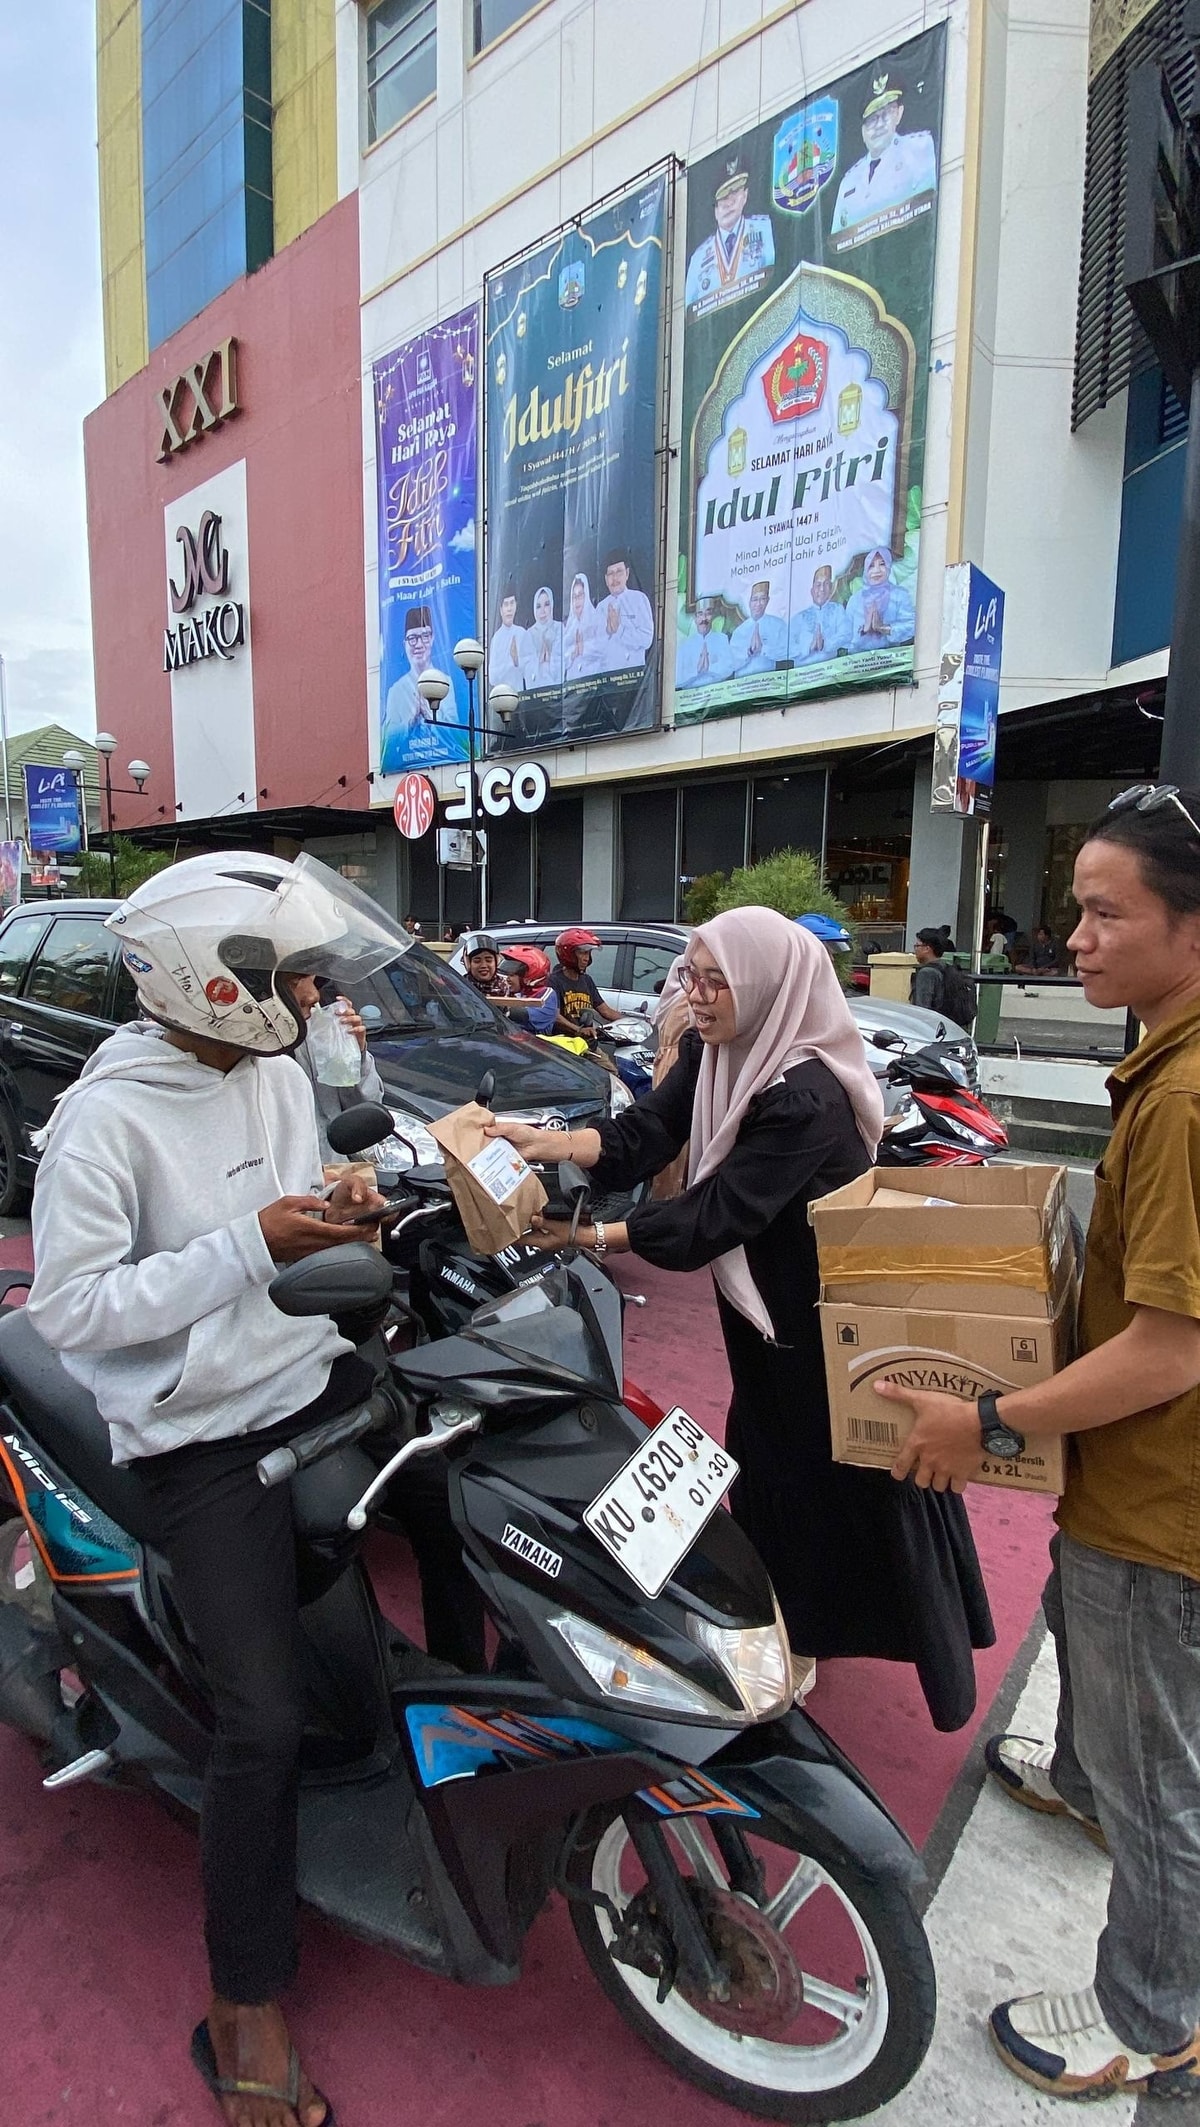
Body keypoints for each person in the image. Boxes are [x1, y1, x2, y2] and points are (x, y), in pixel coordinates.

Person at [24, 851, 409, 2127]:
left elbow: (292, 1207)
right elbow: (72, 1309)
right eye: (286, 973)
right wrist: (251, 1247)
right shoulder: (103, 1121)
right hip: (200, 1437)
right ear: (212, 981)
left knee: (465, 1498)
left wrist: (344, 1209)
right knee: (260, 1723)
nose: (306, 992)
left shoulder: (278, 1069)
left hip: (305, 1374)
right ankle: (243, 1996)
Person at [874, 785, 1200, 2099]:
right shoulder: (1164, 1064)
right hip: (1127, 1491)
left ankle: (1154, 2009)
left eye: (1107, 911)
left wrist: (986, 1416)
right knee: (1095, 1663)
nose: (1076, 935)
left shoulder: (1183, 1103)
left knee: (1159, 1779)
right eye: (1077, 907)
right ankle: (1073, 1773)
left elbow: (1172, 1348)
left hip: (1156, 1501)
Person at [487, 910, 994, 1728]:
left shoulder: (806, 1095)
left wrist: (590, 1233)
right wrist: (542, 1142)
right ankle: (790, 1626)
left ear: (767, 986)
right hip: (765, 1318)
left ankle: (820, 1640)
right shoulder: (719, 1054)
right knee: (769, 1464)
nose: (697, 995)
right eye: (690, 975)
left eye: (716, 979)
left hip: (824, 1325)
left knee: (837, 1481)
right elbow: (644, 1133)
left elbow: (716, 1214)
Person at [289, 978, 388, 1164]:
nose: (312, 995)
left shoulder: (320, 1026)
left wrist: (353, 1054)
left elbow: (364, 1108)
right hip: (292, 1180)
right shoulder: (251, 1055)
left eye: (311, 977)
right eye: (295, 981)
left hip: (334, 1171)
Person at [830, 73, 938, 237]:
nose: (879, 125)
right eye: (872, 119)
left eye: (885, 114)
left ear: (898, 114)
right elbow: (839, 239)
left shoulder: (919, 148)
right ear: (863, 131)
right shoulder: (848, 181)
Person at [685, 151, 775, 310]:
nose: (729, 202)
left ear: (745, 195)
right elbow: (689, 312)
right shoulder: (698, 259)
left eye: (735, 192)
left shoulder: (766, 228)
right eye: (722, 197)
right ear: (715, 210)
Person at [381, 606, 438, 773]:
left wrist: (429, 715)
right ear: (404, 644)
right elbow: (389, 744)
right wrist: (410, 721)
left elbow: (459, 739)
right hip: (406, 768)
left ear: (432, 638)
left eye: (424, 636)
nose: (419, 644)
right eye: (412, 638)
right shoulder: (396, 691)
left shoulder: (445, 684)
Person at [547, 928, 622, 1040]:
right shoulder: (554, 981)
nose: (586, 959)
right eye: (582, 953)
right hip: (565, 1044)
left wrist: (630, 1021)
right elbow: (555, 1016)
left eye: (588, 954)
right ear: (568, 954)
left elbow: (606, 1011)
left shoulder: (587, 980)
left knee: (606, 1058)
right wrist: (578, 1030)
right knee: (602, 1059)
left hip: (588, 1042)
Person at [591, 549, 655, 672]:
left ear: (627, 573)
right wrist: (608, 633)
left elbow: (647, 639)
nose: (614, 578)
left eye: (619, 572)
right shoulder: (601, 607)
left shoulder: (639, 599)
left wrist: (620, 631)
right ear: (606, 579)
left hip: (633, 679)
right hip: (607, 680)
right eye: (610, 574)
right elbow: (596, 648)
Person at [845, 548, 915, 653]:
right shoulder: (855, 599)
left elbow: (912, 625)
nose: (876, 570)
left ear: (888, 567)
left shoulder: (900, 595)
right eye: (871, 566)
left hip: (891, 662)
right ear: (865, 570)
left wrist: (884, 628)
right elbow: (845, 634)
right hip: (858, 663)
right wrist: (863, 631)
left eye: (882, 564)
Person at [910, 926, 976, 1028]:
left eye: (917, 946)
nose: (915, 950)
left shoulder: (926, 973)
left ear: (927, 949)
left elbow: (922, 1009)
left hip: (933, 1029)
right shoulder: (946, 967)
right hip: (949, 1026)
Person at [787, 564, 850, 665]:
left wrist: (825, 644)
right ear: (811, 591)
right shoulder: (799, 617)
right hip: (802, 674)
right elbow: (787, 647)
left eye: (826, 584)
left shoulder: (837, 609)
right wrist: (809, 646)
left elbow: (846, 634)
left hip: (831, 671)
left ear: (830, 589)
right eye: (818, 585)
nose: (822, 589)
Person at [729, 581, 787, 675]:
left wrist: (764, 649)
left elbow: (787, 653)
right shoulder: (739, 631)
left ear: (767, 600)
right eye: (755, 599)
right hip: (743, 684)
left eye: (762, 599)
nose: (758, 604)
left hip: (770, 681)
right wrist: (748, 652)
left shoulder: (778, 625)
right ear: (749, 602)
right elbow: (731, 664)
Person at [675, 598, 735, 688]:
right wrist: (696, 671)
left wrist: (709, 669)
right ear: (695, 618)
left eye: (708, 614)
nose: (704, 619)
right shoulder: (685, 645)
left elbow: (729, 667)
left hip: (716, 693)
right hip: (691, 696)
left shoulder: (722, 639)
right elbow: (677, 679)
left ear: (713, 617)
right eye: (700, 614)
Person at [487, 586, 527, 693]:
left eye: (512, 603)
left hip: (520, 696)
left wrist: (517, 660)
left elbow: (529, 670)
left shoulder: (522, 633)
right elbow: (492, 677)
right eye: (506, 604)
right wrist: (511, 662)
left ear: (516, 606)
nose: (509, 608)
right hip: (502, 699)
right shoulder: (496, 638)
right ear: (501, 610)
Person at [523, 586, 563, 690]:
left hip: (558, 693)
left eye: (546, 605)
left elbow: (565, 660)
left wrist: (551, 658)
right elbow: (525, 668)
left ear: (552, 606)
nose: (542, 611)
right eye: (538, 606)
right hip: (536, 693)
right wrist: (538, 660)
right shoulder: (529, 634)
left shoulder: (560, 628)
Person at [562, 572, 599, 683]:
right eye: (574, 597)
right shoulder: (568, 628)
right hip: (573, 686)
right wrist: (572, 654)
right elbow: (561, 661)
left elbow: (603, 649)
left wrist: (584, 650)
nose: (577, 600)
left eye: (580, 595)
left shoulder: (595, 620)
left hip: (592, 683)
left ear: (586, 596)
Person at [460, 930, 505, 1000]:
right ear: (468, 963)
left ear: (497, 961)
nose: (483, 965)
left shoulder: (508, 987)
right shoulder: (458, 986)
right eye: (477, 961)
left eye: (488, 960)